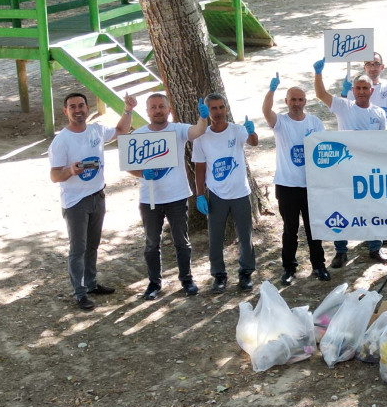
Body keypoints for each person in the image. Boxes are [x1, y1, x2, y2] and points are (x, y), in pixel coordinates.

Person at [48, 91, 136, 311]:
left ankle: (91, 283)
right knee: (78, 248)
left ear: (87, 108)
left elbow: (120, 130)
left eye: (81, 105)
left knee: (93, 245)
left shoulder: (96, 130)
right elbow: (54, 176)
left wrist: (128, 110)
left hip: (98, 196)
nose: (78, 110)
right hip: (76, 201)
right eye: (72, 107)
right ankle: (79, 293)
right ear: (65, 111)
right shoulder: (61, 141)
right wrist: (70, 171)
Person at [126, 93, 208, 300]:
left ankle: (187, 280)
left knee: (182, 241)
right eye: (153, 107)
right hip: (150, 198)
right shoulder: (140, 134)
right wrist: (143, 173)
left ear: (169, 109)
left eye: (161, 106)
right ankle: (154, 283)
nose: (158, 110)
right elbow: (130, 166)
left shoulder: (178, 129)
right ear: (147, 111)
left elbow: (198, 131)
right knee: (152, 243)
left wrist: (203, 117)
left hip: (177, 196)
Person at [314, 64, 387, 263]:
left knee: (374, 207)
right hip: (344, 169)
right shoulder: (343, 106)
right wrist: (318, 73)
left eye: (365, 88)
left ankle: (375, 248)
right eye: (358, 88)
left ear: (371, 91)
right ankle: (341, 251)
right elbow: (321, 93)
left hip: (370, 169)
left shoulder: (379, 113)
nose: (362, 92)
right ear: (353, 90)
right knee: (342, 206)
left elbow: (385, 142)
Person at [262, 74, 329, 285]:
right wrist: (271, 90)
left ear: (305, 102)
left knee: (313, 228)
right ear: (286, 102)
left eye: (300, 100)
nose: (297, 103)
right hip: (287, 185)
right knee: (290, 229)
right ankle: (289, 268)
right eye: (293, 99)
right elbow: (266, 111)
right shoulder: (280, 122)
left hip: (311, 186)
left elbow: (323, 151)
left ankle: (319, 265)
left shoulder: (315, 123)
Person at [191, 92, 259, 292]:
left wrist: (252, 132)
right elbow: (200, 168)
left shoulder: (237, 131)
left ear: (226, 108)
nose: (218, 112)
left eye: (221, 107)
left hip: (240, 193)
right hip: (217, 194)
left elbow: (253, 142)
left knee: (245, 236)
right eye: (214, 108)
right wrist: (200, 194)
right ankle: (219, 275)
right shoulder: (202, 137)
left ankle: (246, 273)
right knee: (215, 237)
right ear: (207, 111)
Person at [364, 52, 387, 130]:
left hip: (386, 135)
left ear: (382, 67)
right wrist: (344, 93)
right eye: (368, 64)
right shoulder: (358, 88)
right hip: (366, 134)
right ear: (364, 68)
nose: (372, 68)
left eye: (376, 64)